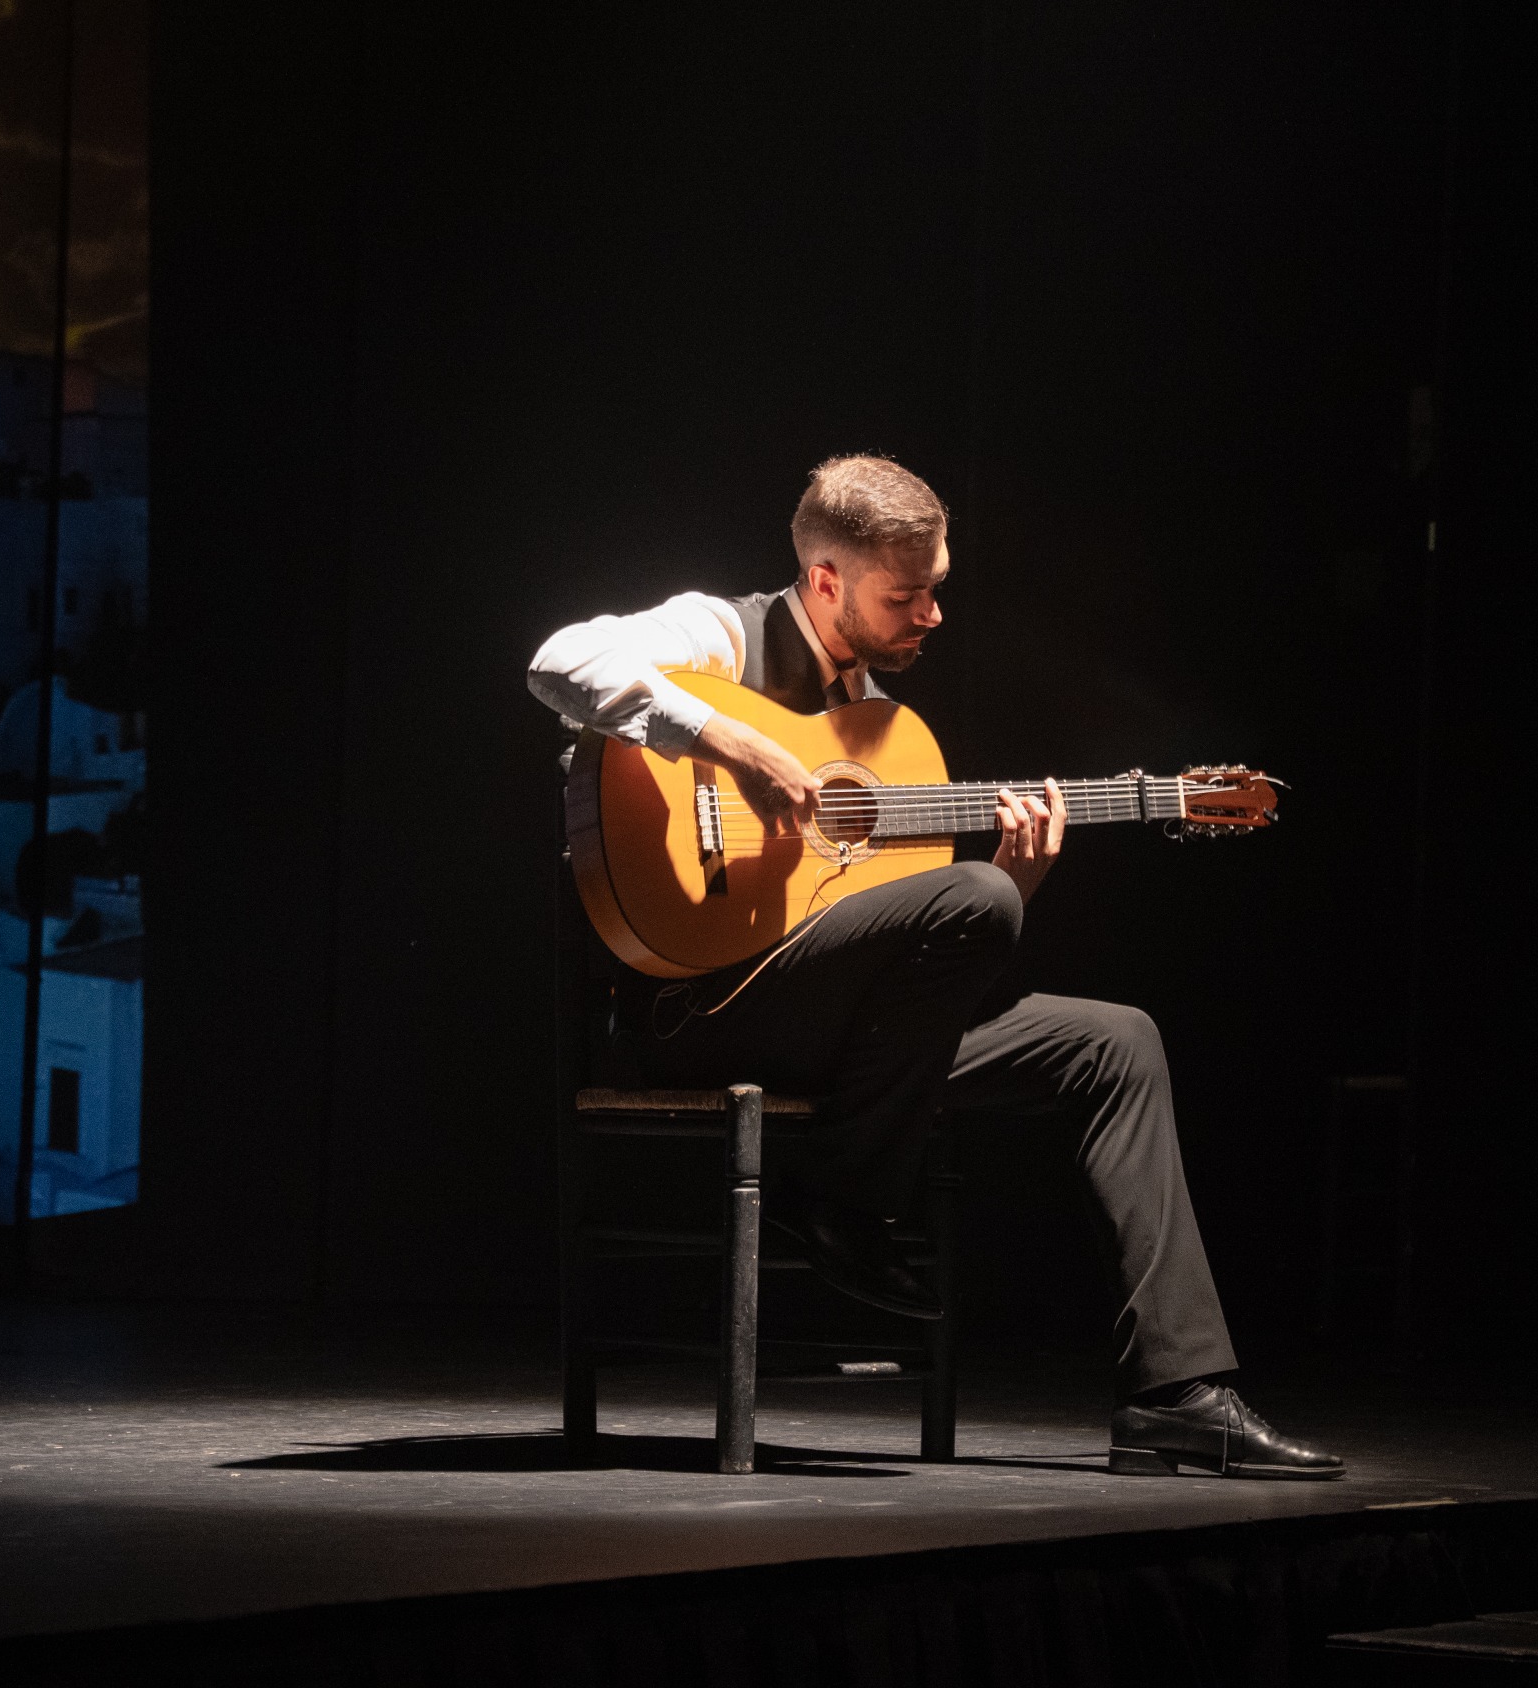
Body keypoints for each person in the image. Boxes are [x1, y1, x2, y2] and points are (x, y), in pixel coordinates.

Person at [527, 454, 1342, 1480]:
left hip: (851, 1044)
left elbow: (900, 938)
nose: (932, 613)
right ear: (825, 580)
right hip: (707, 1010)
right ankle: (843, 1202)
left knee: (1115, 1039)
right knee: (977, 899)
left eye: (936, 586)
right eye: (903, 594)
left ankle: (1176, 1396)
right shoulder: (721, 635)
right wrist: (731, 740)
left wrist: (1015, 884)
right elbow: (557, 661)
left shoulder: (885, 734)